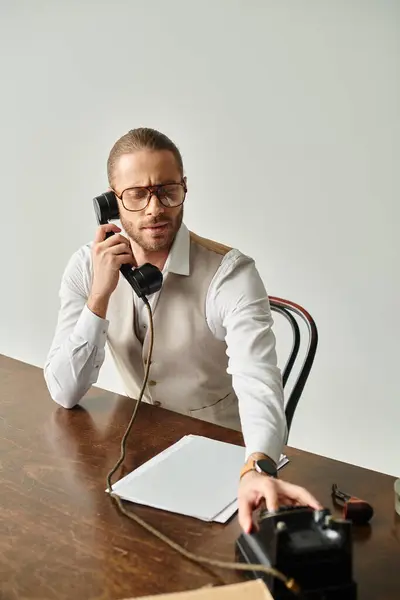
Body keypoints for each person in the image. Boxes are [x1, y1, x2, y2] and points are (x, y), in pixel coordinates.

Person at [44, 127, 321, 532]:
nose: (154, 208)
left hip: (222, 458)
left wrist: (258, 465)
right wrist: (99, 299)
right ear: (111, 200)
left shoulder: (232, 275)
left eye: (167, 190)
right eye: (136, 194)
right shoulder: (88, 267)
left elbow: (259, 382)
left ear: (185, 189)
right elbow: (64, 391)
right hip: (133, 453)